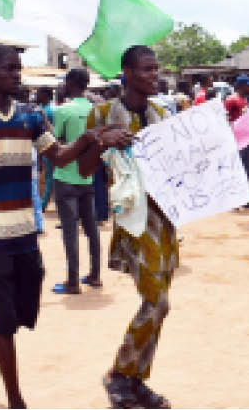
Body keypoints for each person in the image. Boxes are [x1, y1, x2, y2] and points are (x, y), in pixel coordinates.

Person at [0, 46, 130, 408]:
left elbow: (59, 157)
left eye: (18, 68)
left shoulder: (31, 116)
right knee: (5, 319)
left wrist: (89, 139)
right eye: (9, 68)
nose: (16, 74)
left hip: (24, 229)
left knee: (23, 313)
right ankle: (16, 400)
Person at [75, 45, 178, 409]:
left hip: (166, 220)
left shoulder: (163, 114)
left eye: (156, 68)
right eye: (147, 69)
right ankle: (119, 374)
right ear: (128, 73)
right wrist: (100, 140)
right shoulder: (103, 113)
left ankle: (137, 382)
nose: (155, 74)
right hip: (135, 221)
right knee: (158, 302)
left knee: (159, 304)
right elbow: (86, 170)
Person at [51, 68, 104, 295]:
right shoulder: (96, 110)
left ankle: (72, 281)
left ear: (70, 83)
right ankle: (95, 275)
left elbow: (59, 140)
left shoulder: (63, 110)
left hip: (65, 176)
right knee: (92, 228)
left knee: (70, 231)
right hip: (87, 175)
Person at [226, 75, 249, 208]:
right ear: (241, 86)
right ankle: (235, 199)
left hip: (248, 140)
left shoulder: (246, 100)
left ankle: (246, 198)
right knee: (237, 169)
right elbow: (226, 118)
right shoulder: (231, 100)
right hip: (237, 141)